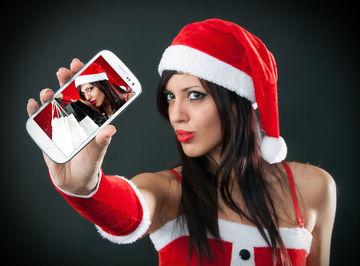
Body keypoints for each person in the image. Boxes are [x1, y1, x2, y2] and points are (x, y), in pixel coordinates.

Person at [27, 19, 336, 266]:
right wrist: (85, 190)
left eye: (195, 95)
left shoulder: (315, 188)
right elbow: (127, 211)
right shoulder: (169, 190)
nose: (176, 115)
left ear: (238, 102)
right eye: (170, 97)